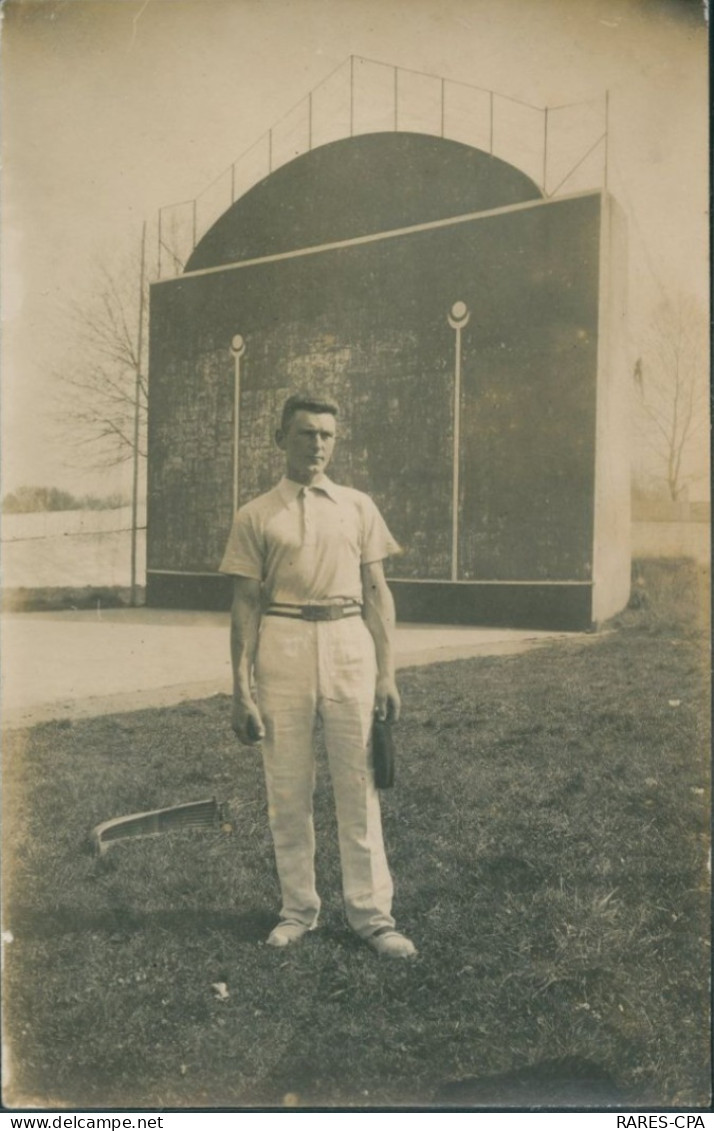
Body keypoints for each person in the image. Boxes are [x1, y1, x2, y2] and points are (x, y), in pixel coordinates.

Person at [219, 392, 416, 959]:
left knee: (359, 785)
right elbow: (244, 607)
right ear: (281, 438)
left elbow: (378, 593)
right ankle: (297, 910)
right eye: (306, 434)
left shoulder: (357, 506)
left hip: (349, 641)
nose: (318, 445)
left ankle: (374, 917)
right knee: (287, 788)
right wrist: (242, 690)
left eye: (327, 435)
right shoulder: (256, 515)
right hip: (282, 644)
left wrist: (387, 674)